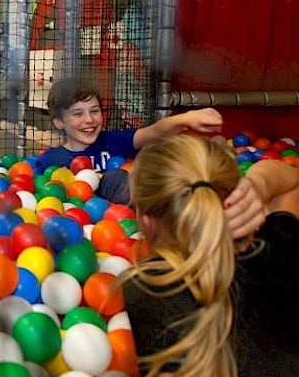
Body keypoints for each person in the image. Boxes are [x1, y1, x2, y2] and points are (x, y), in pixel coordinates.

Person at [121, 134, 299, 377]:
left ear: (146, 222)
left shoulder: (140, 289)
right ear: (234, 198)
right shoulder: (274, 252)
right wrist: (258, 185)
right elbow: (291, 184)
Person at [36, 77, 223, 204]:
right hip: (83, 227)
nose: (89, 120)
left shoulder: (114, 141)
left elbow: (154, 132)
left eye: (95, 111)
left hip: (129, 218)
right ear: (59, 121)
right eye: (78, 114)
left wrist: (185, 118)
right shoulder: (51, 161)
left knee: (118, 177)